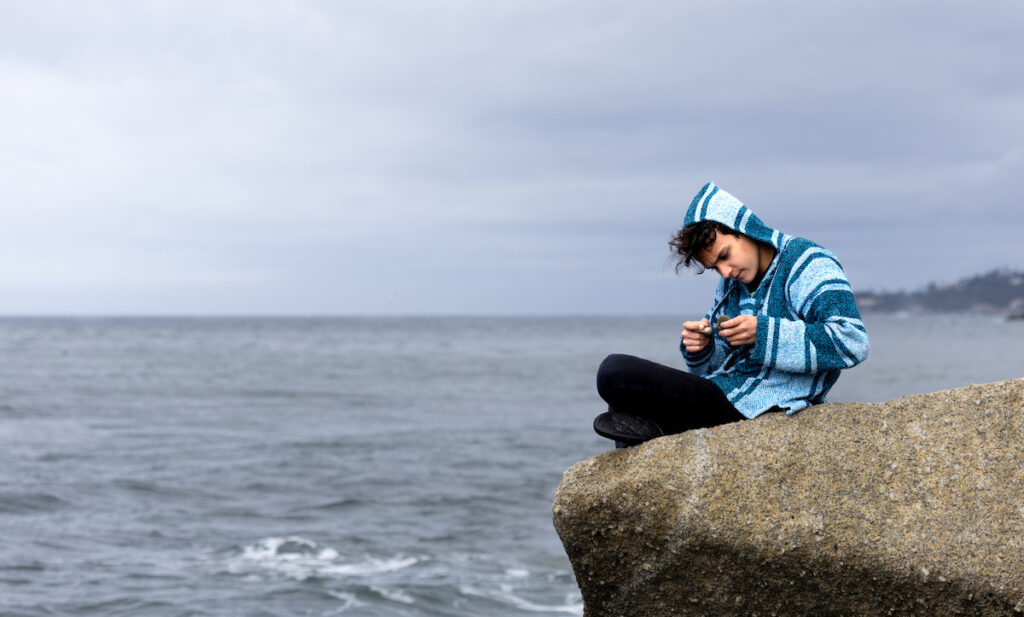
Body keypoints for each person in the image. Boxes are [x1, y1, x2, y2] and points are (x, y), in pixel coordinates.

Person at [593, 182, 870, 447]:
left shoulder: (808, 262)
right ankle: (653, 437)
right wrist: (702, 348)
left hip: (768, 404)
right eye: (715, 267)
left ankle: (657, 431)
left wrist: (762, 333)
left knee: (615, 373)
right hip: (729, 394)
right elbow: (715, 369)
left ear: (743, 229)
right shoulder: (731, 285)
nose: (725, 272)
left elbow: (852, 342)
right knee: (622, 401)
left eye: (725, 255)